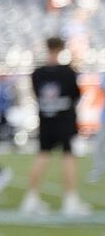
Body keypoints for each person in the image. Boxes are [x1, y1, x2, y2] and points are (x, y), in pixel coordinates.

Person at [20, 36, 91, 216]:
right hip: (64, 120)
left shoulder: (38, 72)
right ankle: (70, 200)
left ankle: (31, 197)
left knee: (42, 156)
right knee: (68, 157)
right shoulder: (67, 72)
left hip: (46, 119)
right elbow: (76, 95)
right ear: (61, 49)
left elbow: (37, 94)